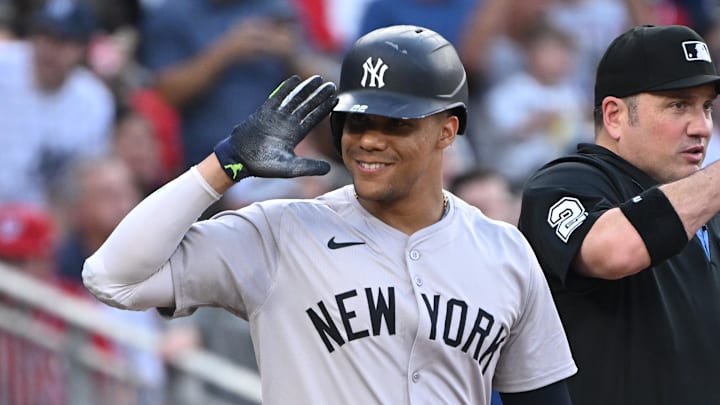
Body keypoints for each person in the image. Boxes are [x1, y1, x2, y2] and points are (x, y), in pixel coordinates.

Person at [83, 25, 576, 404]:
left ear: (447, 132)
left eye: (394, 123)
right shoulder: (280, 231)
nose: (367, 139)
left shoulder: (505, 252)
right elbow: (113, 278)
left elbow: (543, 397)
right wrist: (224, 163)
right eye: (355, 120)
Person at [517, 24, 720, 405]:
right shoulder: (565, 182)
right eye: (678, 105)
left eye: (706, 107)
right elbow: (613, 250)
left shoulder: (706, 201)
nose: (702, 127)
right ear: (614, 116)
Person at [0, 0, 114, 206]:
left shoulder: (94, 101)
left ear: (82, 49)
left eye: (62, 41)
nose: (49, 49)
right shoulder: (4, 64)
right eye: (44, 36)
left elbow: (84, 179)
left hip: (41, 224)